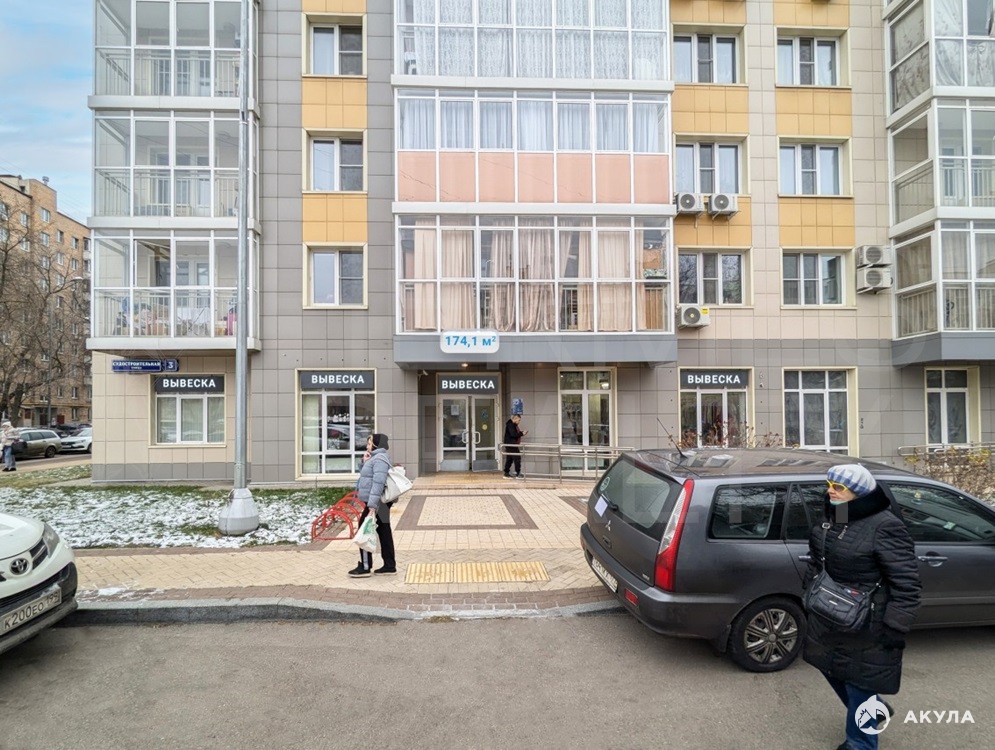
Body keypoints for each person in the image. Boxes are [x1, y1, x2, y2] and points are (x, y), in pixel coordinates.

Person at [803, 463, 922, 750]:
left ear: (859, 493)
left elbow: (907, 582)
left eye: (839, 487)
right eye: (829, 485)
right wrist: (810, 587)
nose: (830, 491)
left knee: (859, 682)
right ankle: (873, 708)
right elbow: (819, 557)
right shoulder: (838, 514)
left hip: (868, 621)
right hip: (831, 613)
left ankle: (860, 744)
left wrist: (896, 625)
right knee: (829, 667)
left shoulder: (885, 526)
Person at [348, 433, 397, 578]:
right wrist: (364, 462)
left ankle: (365, 566)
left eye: (369, 443)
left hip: (377, 503)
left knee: (364, 530)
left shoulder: (379, 459)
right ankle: (389, 565)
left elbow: (378, 483)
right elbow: (367, 476)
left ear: (376, 444)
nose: (367, 445)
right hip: (378, 503)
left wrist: (372, 505)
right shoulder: (376, 458)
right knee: (384, 532)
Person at [502, 414, 527, 479]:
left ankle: (506, 473)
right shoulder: (511, 425)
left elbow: (514, 433)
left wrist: (522, 433)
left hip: (511, 444)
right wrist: (522, 433)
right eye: (519, 420)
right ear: (515, 419)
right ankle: (518, 473)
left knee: (510, 459)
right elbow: (513, 434)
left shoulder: (512, 425)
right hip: (511, 444)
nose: (519, 422)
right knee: (517, 458)